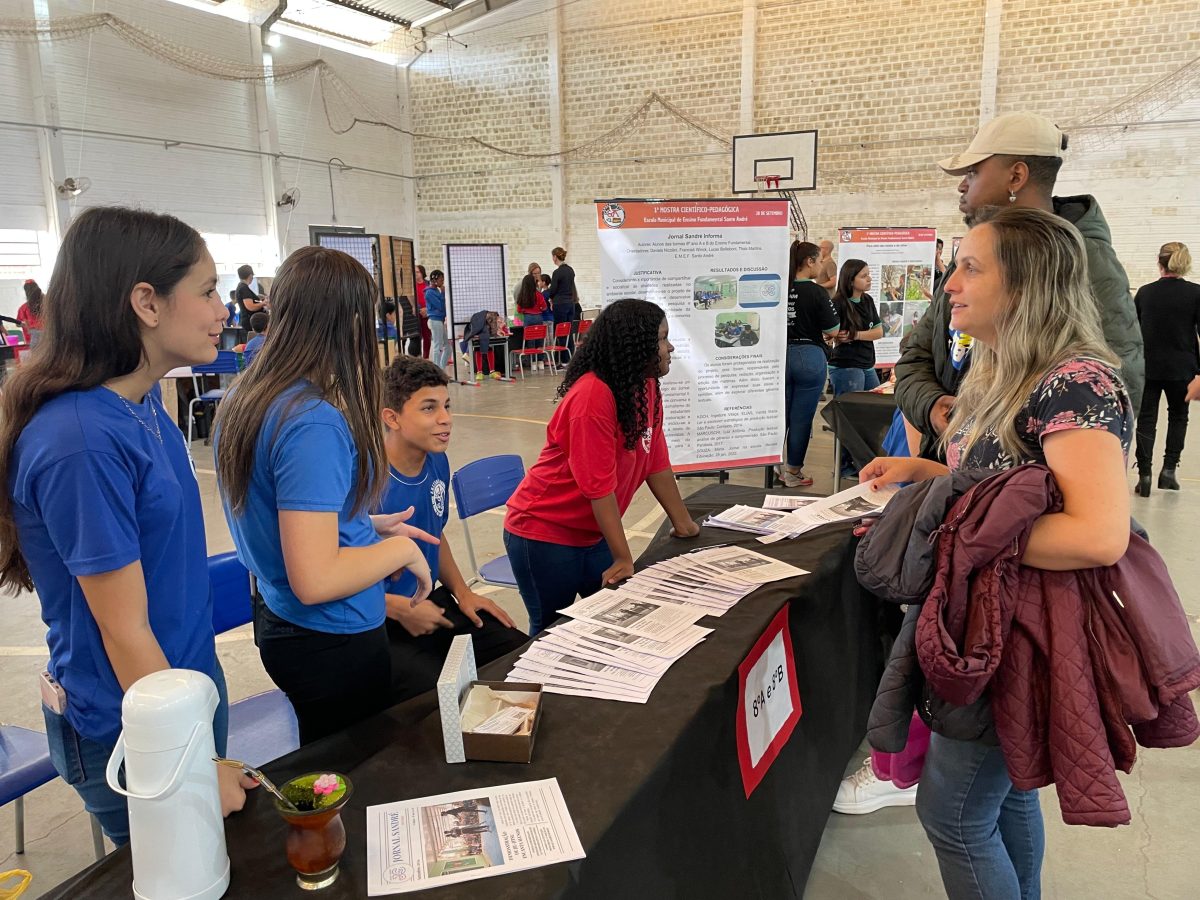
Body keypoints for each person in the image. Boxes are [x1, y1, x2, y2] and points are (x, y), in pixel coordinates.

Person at [858, 205, 1132, 899]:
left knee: (951, 815)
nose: (951, 282)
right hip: (985, 618)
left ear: (1027, 285)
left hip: (1016, 632)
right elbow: (990, 485)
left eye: (971, 267)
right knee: (1005, 799)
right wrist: (926, 479)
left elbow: (1098, 532)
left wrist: (949, 534)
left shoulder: (1075, 384)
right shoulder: (997, 369)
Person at [0, 206, 256, 845]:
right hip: (134, 727)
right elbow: (123, 629)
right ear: (146, 301)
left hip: (183, 696)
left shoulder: (142, 406)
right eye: (205, 291)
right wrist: (195, 762)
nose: (223, 309)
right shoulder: (81, 440)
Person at [214, 245, 434, 745]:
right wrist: (398, 550)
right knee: (354, 772)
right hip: (330, 637)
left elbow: (277, 517)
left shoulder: (244, 399)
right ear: (350, 323)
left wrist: (363, 526)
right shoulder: (312, 421)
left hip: (280, 622)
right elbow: (314, 579)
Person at [895, 111, 1144, 461]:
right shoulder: (971, 255)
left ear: (1016, 175)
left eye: (973, 172)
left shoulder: (1086, 260)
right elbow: (917, 354)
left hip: (1017, 487)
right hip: (961, 476)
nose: (962, 185)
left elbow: (1113, 388)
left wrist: (1017, 459)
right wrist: (932, 405)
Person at [503, 299, 700, 634]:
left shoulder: (646, 386)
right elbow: (599, 489)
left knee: (616, 621)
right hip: (544, 535)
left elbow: (655, 460)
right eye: (662, 339)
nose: (670, 347)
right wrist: (624, 557)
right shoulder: (592, 397)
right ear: (636, 346)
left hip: (592, 533)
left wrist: (684, 524)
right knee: (550, 632)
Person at [379, 357, 526, 699]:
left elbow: (434, 532)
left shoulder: (437, 461)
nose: (445, 419)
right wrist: (394, 606)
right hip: (380, 616)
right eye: (429, 408)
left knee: (516, 649)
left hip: (431, 598)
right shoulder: (366, 481)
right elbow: (334, 571)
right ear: (393, 417)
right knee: (441, 700)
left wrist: (464, 592)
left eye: (446, 406)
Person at [1134, 241, 1200, 496]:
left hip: (1148, 367)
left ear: (1159, 263)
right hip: (1182, 368)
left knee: (1147, 420)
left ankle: (1145, 475)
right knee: (1178, 417)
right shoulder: (1196, 294)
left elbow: (1134, 333)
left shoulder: (1145, 293)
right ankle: (1169, 471)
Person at [781, 240, 840, 488]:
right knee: (801, 418)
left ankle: (773, 465)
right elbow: (833, 329)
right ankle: (793, 473)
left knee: (779, 416)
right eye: (818, 261)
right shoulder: (817, 292)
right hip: (810, 357)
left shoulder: (780, 287)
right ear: (809, 262)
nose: (820, 265)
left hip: (780, 357)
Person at [828, 259, 884, 404]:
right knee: (851, 412)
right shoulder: (837, 303)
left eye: (869, 274)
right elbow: (829, 333)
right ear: (851, 281)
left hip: (867, 363)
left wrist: (856, 335)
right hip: (846, 365)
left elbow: (878, 332)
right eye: (864, 276)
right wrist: (835, 336)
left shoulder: (868, 300)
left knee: (876, 406)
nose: (869, 279)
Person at [542, 247, 576, 365]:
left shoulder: (557, 272)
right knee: (569, 331)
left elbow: (553, 289)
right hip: (571, 303)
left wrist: (549, 296)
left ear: (555, 257)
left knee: (560, 331)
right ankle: (571, 359)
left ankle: (564, 361)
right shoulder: (570, 270)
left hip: (560, 304)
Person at [515, 273, 550, 371]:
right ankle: (540, 362)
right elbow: (544, 307)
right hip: (538, 318)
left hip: (528, 318)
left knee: (530, 341)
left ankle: (533, 363)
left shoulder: (522, 295)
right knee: (540, 340)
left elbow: (519, 310)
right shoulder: (538, 294)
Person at [426, 269, 449, 370]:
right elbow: (440, 306)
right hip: (435, 320)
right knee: (437, 346)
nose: (442, 282)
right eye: (441, 280)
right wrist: (443, 293)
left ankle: (441, 369)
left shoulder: (436, 291)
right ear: (435, 280)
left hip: (440, 320)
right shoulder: (429, 293)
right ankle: (436, 369)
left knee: (448, 347)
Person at [17, 280, 45, 347]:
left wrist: (27, 325)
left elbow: (18, 323)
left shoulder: (23, 308)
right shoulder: (48, 304)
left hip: (32, 338)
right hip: (48, 336)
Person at [415, 264, 432, 359]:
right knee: (417, 337)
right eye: (414, 272)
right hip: (416, 314)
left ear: (422, 273)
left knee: (427, 337)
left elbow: (432, 299)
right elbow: (412, 301)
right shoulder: (411, 285)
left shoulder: (429, 284)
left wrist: (427, 310)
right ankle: (418, 357)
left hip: (427, 314)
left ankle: (426, 357)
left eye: (417, 272)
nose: (416, 274)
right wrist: (419, 309)